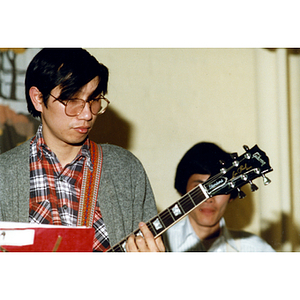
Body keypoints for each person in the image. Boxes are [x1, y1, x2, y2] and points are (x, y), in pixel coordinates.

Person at [0, 48, 164, 252]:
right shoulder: (4, 174)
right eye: (72, 99)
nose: (87, 114)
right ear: (38, 99)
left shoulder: (126, 169)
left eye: (94, 99)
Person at [163, 142, 275, 252]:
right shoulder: (160, 242)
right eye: (198, 189)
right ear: (184, 192)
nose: (209, 199)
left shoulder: (256, 249)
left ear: (231, 194)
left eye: (219, 190)